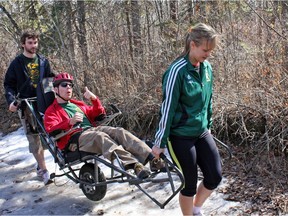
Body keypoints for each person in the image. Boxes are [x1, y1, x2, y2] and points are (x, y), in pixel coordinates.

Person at [151, 23, 222, 216]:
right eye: (205, 50)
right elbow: (167, 109)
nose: (208, 54)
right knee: (188, 183)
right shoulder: (177, 71)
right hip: (179, 136)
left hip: (201, 132)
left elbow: (208, 101)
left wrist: (208, 126)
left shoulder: (206, 68)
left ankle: (196, 210)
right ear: (192, 44)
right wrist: (160, 142)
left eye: (211, 50)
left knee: (214, 177)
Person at [44, 72, 164, 179]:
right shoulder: (51, 111)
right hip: (74, 139)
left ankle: (152, 158)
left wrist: (94, 99)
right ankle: (135, 165)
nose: (68, 88)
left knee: (119, 131)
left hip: (92, 129)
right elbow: (51, 130)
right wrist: (69, 122)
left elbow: (98, 114)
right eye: (64, 85)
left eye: (70, 85)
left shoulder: (78, 104)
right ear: (55, 89)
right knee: (100, 137)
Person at [4, 29, 54, 185]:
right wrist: (11, 101)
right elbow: (9, 85)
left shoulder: (43, 61)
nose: (33, 45)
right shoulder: (17, 64)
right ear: (23, 44)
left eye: (35, 42)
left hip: (43, 103)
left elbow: (48, 81)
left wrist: (54, 98)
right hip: (25, 104)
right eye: (30, 43)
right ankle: (44, 171)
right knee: (33, 137)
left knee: (49, 133)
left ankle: (42, 165)